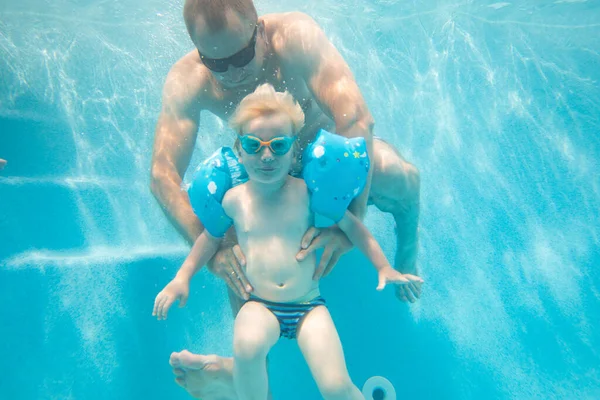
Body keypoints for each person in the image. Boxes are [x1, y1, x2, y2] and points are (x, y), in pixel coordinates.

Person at [150, 0, 421, 397]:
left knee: (400, 177)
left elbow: (356, 120)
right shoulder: (187, 78)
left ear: (258, 30)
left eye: (242, 56)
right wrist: (215, 251)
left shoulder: (295, 37)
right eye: (216, 63)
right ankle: (241, 371)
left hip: (328, 168)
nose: (233, 73)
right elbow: (162, 175)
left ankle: (408, 252)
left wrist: (349, 224)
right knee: (239, 247)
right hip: (264, 175)